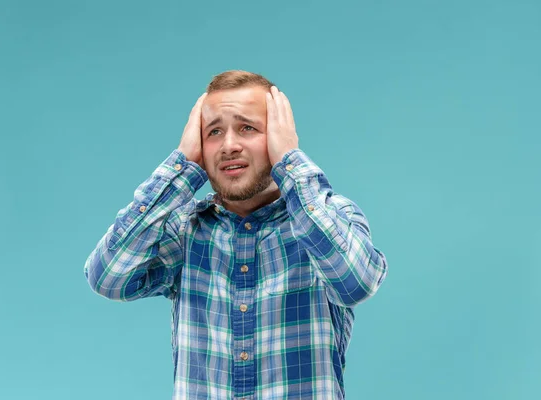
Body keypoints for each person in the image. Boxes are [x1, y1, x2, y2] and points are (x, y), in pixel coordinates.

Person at [84, 70, 388, 399]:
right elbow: (107, 277)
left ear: (276, 136)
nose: (229, 145)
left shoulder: (330, 218)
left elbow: (356, 282)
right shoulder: (185, 231)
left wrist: (290, 161)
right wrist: (180, 167)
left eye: (247, 128)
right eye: (214, 132)